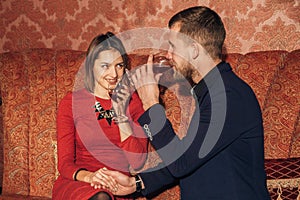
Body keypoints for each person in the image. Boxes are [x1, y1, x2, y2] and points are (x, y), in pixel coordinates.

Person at [98, 6, 271, 200]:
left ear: (194, 50)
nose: (169, 55)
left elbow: (180, 163)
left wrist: (151, 104)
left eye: (173, 46)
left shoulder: (229, 96)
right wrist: (136, 183)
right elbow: (189, 156)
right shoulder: (214, 91)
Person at [52, 32, 148, 200]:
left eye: (119, 66)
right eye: (105, 66)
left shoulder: (133, 102)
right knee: (100, 197)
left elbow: (137, 162)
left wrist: (120, 111)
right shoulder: (71, 102)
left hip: (117, 185)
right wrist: (91, 177)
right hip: (79, 183)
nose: (113, 74)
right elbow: (64, 164)